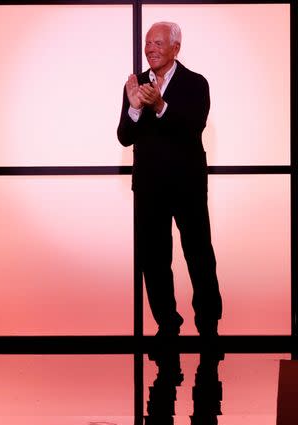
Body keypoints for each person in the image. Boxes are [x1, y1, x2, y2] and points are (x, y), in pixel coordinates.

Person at [117, 22, 222, 338]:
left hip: (187, 184)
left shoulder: (195, 83)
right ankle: (166, 321)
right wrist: (134, 109)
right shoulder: (136, 83)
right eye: (148, 43)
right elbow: (124, 137)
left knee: (198, 251)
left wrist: (160, 106)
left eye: (158, 43)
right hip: (149, 186)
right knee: (153, 256)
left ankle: (208, 321)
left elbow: (193, 127)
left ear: (176, 47)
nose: (150, 49)